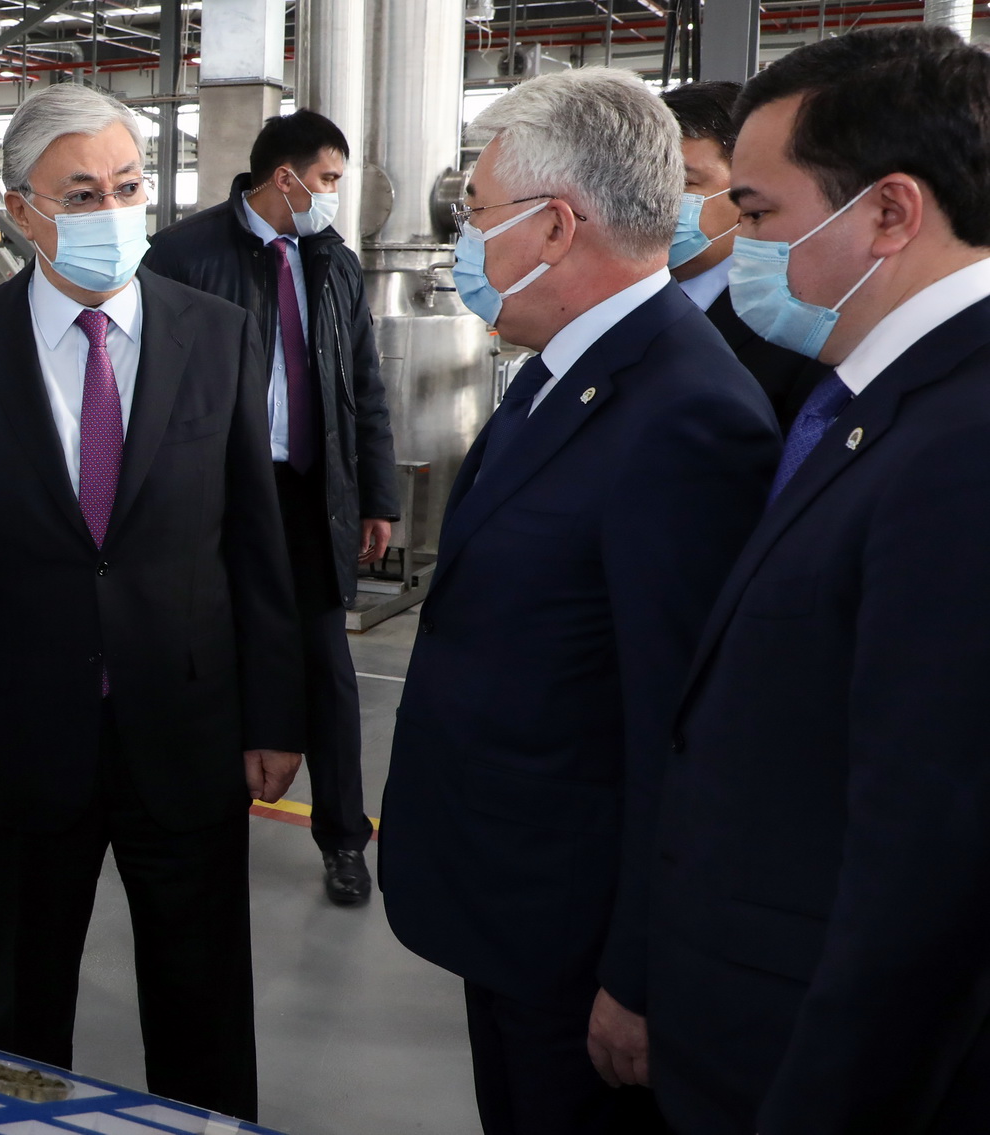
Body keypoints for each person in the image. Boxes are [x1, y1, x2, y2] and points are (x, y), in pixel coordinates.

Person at [0, 83, 304, 1122]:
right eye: (80, 194)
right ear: (21, 211)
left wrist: (275, 714)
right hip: (26, 733)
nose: (112, 211)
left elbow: (256, 538)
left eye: (127, 186)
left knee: (201, 1012)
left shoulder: (218, 334)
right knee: (21, 1017)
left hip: (186, 729)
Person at [378, 68, 782, 1135]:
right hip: (514, 912)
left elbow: (683, 731)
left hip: (577, 943)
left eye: (474, 216)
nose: (463, 244)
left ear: (554, 226)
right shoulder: (567, 371)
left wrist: (638, 971)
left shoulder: (683, 416)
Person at [649, 27, 990, 1135]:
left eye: (755, 214)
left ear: (888, 211)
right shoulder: (871, 400)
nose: (739, 244)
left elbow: (925, 866)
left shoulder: (962, 446)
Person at [144, 110, 398, 906]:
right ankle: (194, 820)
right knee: (207, 660)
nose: (333, 196)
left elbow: (363, 385)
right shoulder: (182, 256)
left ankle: (343, 838)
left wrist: (376, 494)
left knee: (326, 670)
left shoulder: (333, 262)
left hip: (309, 494)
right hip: (215, 497)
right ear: (284, 178)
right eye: (327, 180)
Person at [662, 81, 822, 431]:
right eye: (646, 182)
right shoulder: (611, 299)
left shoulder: (796, 325)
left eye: (684, 183)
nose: (655, 201)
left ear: (749, 189)